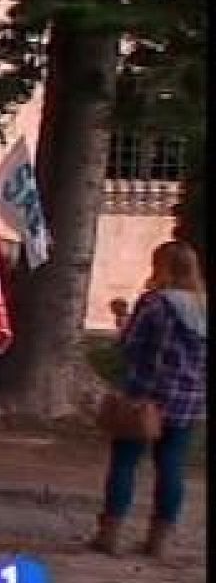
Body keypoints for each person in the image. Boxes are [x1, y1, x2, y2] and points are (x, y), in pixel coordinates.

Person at [89, 240, 206, 560]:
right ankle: (160, 541)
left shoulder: (154, 304)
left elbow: (130, 346)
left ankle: (110, 534)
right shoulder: (202, 307)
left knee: (125, 462)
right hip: (189, 400)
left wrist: (123, 318)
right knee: (172, 465)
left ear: (162, 267)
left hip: (146, 397)